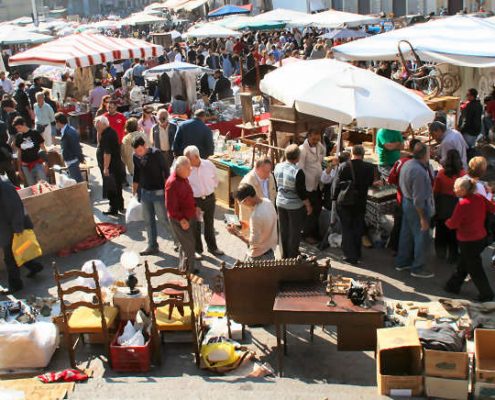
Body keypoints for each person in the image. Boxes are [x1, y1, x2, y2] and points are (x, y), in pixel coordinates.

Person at [445, 177, 495, 302]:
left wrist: (447, 222)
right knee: (465, 262)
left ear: (462, 190)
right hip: (481, 237)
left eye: (455, 188)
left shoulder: (463, 204)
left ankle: (487, 294)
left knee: (475, 268)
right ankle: (452, 285)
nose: (454, 190)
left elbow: (453, 224)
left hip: (468, 240)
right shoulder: (479, 197)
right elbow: (492, 208)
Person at [395, 142, 435, 278]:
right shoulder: (418, 171)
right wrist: (423, 218)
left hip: (407, 201)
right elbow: (419, 199)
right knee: (421, 236)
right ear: (425, 154)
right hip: (416, 205)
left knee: (406, 233)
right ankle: (417, 268)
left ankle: (402, 262)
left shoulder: (408, 164)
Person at [332, 145, 376, 264]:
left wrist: (334, 198)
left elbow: (337, 184)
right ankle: (357, 253)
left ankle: (349, 255)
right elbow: (370, 182)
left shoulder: (343, 166)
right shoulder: (369, 167)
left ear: (352, 153)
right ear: (363, 155)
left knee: (347, 228)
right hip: (360, 202)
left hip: (345, 202)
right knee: (357, 227)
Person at [0, 178, 43, 293]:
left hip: (12, 229)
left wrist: (17, 228)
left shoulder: (4, 188)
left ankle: (15, 285)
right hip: (7, 228)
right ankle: (34, 266)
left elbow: (15, 208)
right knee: (18, 250)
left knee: (10, 258)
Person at [132, 136, 173, 255]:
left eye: (140, 151)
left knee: (163, 219)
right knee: (148, 221)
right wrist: (134, 190)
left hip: (158, 191)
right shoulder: (135, 157)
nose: (138, 154)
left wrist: (167, 190)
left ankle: (179, 242)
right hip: (145, 192)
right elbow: (137, 173)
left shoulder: (156, 154)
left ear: (145, 146)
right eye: (136, 152)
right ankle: (152, 245)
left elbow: (166, 171)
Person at [184, 145, 224, 258]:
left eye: (189, 159)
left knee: (209, 224)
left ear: (196, 157)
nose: (187, 161)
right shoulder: (187, 168)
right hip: (194, 200)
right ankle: (197, 250)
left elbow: (215, 179)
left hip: (209, 198)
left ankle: (213, 247)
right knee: (195, 225)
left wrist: (209, 189)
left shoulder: (208, 164)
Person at [274, 144, 311, 259]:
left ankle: (284, 255)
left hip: (280, 202)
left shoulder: (278, 166)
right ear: (298, 157)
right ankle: (292, 257)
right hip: (294, 206)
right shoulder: (298, 171)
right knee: (294, 232)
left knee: (284, 230)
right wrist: (308, 205)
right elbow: (301, 192)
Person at [228, 183, 278, 261]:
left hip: (259, 255)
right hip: (270, 249)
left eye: (241, 203)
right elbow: (264, 225)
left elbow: (253, 243)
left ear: (247, 199)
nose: (242, 205)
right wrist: (246, 225)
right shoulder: (267, 201)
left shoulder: (256, 216)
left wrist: (236, 233)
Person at [387, 138, 421, 252]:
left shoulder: (401, 162)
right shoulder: (424, 163)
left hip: (402, 198)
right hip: (417, 200)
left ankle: (395, 247)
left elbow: (391, 179)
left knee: (399, 223)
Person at [165, 156, 197, 273]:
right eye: (188, 168)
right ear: (178, 168)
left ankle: (184, 268)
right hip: (181, 220)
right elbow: (171, 207)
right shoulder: (172, 183)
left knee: (185, 244)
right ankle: (189, 272)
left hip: (187, 217)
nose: (190, 170)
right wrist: (182, 220)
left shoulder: (183, 178)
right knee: (188, 245)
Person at [433, 149, 465, 263]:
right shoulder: (463, 174)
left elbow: (436, 191)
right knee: (454, 231)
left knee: (441, 228)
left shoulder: (441, 174)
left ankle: (440, 251)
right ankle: (453, 255)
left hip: (443, 203)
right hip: (456, 204)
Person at [298, 128, 326, 243]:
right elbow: (300, 169)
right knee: (309, 211)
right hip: (308, 186)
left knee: (317, 209)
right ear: (308, 136)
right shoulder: (302, 150)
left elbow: (321, 159)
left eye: (317, 139)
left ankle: (314, 232)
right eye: (313, 139)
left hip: (318, 184)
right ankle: (306, 234)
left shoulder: (320, 146)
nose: (315, 141)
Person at [95, 115, 125, 215]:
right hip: (115, 165)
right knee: (117, 186)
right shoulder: (109, 132)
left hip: (111, 166)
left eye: (98, 126)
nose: (96, 127)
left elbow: (107, 153)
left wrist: (106, 168)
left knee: (111, 187)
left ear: (104, 124)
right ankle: (120, 205)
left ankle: (113, 208)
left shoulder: (107, 135)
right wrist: (99, 132)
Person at [238, 157, 277, 225]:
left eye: (269, 171)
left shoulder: (270, 176)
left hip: (269, 216)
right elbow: (244, 208)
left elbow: (273, 194)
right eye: (265, 172)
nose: (268, 175)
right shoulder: (247, 182)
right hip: (256, 220)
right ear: (256, 169)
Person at [13, 116, 47, 186]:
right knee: (32, 187)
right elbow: (19, 153)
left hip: (38, 163)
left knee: (44, 184)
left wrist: (46, 163)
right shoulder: (18, 136)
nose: (18, 130)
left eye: (19, 127)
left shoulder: (35, 133)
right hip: (25, 166)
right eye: (16, 128)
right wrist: (19, 168)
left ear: (24, 124)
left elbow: (43, 148)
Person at [54, 113, 84, 183]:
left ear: (58, 122)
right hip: (70, 161)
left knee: (77, 183)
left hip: (72, 161)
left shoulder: (69, 132)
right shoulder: (65, 130)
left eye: (55, 122)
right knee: (75, 181)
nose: (55, 124)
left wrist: (80, 158)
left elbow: (76, 147)